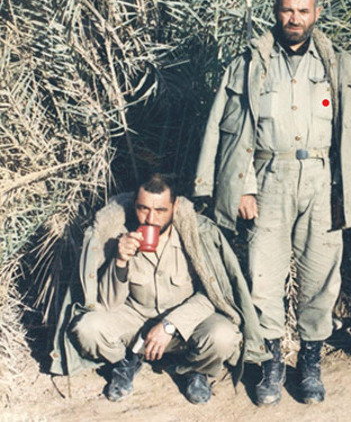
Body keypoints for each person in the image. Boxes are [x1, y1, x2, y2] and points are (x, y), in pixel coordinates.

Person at [193, 0, 351, 405]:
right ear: (275, 12)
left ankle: (311, 361)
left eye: (303, 11)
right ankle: (271, 362)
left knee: (322, 275)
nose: (294, 18)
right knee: (263, 274)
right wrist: (242, 188)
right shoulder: (250, 64)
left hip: (323, 180)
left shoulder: (340, 65)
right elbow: (225, 129)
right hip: (268, 178)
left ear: (316, 13)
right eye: (287, 10)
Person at [49, 173, 268, 404]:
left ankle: (194, 370)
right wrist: (120, 261)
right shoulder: (119, 235)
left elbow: (212, 294)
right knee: (88, 328)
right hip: (135, 321)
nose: (150, 219)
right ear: (134, 204)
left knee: (224, 336)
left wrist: (171, 324)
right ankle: (125, 362)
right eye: (143, 209)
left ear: (175, 206)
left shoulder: (195, 235)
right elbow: (107, 304)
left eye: (160, 210)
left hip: (186, 325)